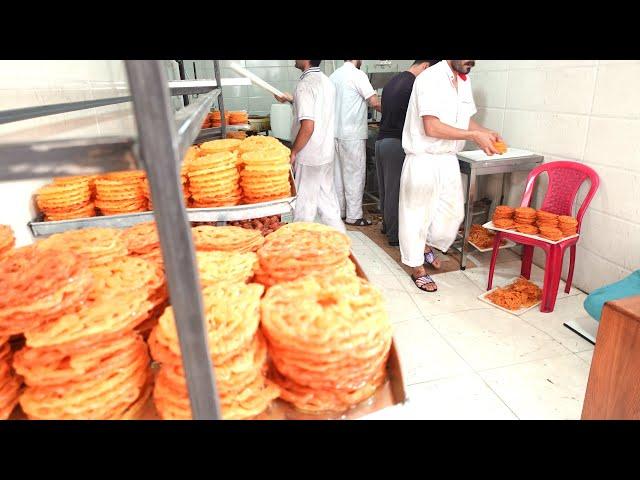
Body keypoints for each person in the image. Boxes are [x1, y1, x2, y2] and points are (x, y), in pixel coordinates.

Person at [399, 60, 504, 292]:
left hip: (448, 159)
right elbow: (432, 127)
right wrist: (474, 136)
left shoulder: (464, 81)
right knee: (416, 218)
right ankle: (417, 268)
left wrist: (484, 131)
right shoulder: (429, 79)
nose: (472, 61)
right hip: (423, 158)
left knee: (452, 215)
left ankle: (426, 246)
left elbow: (464, 118)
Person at [274, 60, 345, 233]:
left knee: (304, 209)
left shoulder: (304, 85)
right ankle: (342, 242)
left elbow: (308, 126)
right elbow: (318, 108)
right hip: (325, 152)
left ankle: (300, 248)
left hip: (309, 155)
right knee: (328, 204)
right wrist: (292, 99)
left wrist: (294, 151)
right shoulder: (327, 82)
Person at [375, 60, 440, 246]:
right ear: (426, 67)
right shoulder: (414, 85)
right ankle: (396, 237)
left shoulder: (393, 81)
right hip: (396, 143)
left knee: (386, 190)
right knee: (397, 193)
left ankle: (387, 228)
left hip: (382, 142)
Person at [330, 60, 382, 227]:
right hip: (352, 134)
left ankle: (341, 211)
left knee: (338, 175)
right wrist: (395, 111)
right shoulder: (358, 75)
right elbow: (374, 102)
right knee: (354, 175)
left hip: (335, 133)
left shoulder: (334, 76)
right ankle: (354, 215)